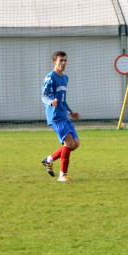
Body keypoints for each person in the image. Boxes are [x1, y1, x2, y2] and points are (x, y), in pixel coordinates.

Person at [40, 51, 80, 182]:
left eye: (65, 60)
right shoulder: (50, 77)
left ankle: (49, 159)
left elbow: (63, 98)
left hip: (64, 115)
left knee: (75, 144)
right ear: (54, 62)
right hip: (55, 116)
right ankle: (63, 175)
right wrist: (51, 102)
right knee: (68, 143)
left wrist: (70, 112)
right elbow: (44, 95)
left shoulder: (65, 78)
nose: (63, 63)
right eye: (60, 60)